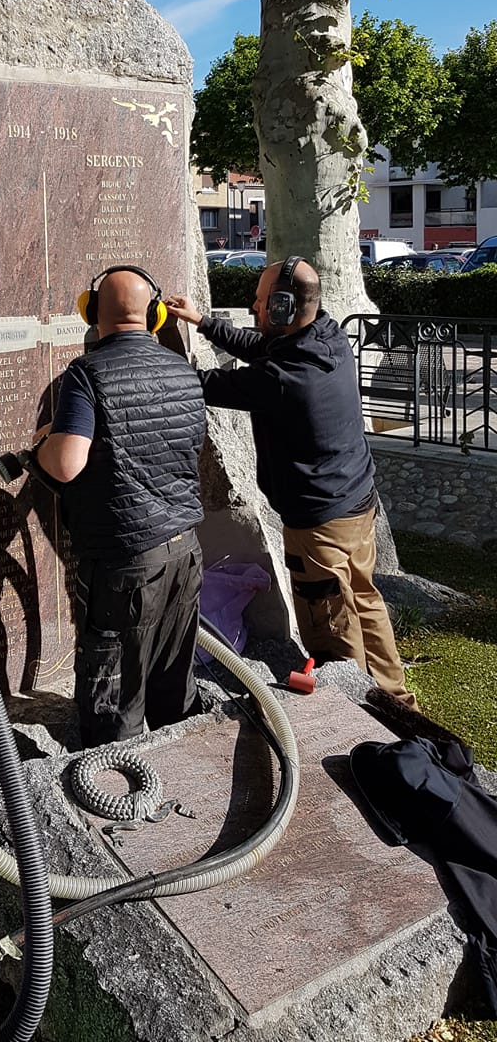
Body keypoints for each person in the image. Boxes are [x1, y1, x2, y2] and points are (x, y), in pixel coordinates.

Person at [166, 257, 417, 708]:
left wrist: (142, 361)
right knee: (364, 602)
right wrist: (202, 322)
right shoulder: (326, 336)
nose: (254, 307)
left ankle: (354, 715)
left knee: (330, 626)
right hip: (357, 504)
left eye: (261, 301)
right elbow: (264, 346)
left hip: (319, 525)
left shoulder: (284, 379)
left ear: (282, 307)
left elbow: (207, 384)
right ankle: (398, 703)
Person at [32, 265, 207, 746]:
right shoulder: (183, 371)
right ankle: (183, 777)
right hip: (185, 554)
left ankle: (119, 788)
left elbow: (65, 464)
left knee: (115, 708)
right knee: (175, 694)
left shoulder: (87, 374)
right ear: (154, 316)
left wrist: (43, 445)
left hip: (126, 569)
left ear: (91, 313)